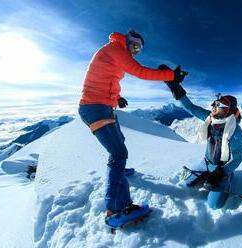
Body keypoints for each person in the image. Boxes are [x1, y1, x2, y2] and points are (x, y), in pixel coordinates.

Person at [78, 30, 188, 223]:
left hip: (102, 106)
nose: (135, 50)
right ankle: (115, 210)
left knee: (119, 143)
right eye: (135, 44)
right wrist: (171, 76)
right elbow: (141, 72)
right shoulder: (116, 49)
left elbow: (105, 77)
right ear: (127, 40)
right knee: (118, 153)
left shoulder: (115, 52)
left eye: (139, 48)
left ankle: (120, 171)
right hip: (95, 108)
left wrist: (117, 98)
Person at [159, 64, 242, 209]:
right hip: (206, 162)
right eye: (216, 103)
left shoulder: (236, 133)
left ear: (228, 111)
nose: (214, 107)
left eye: (220, 105)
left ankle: (229, 178)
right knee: (186, 184)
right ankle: (207, 175)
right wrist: (174, 86)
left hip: (222, 169)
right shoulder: (210, 119)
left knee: (214, 204)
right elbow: (191, 107)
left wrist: (222, 172)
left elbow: (237, 159)